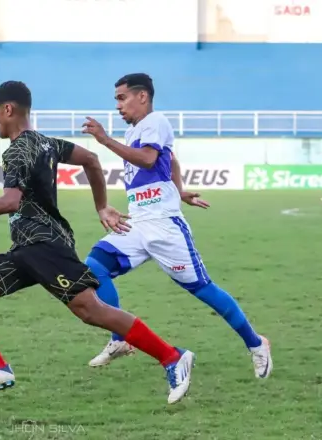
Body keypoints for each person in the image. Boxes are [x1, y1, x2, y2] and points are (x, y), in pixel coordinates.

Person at [0, 81, 196, 404]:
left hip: (44, 246)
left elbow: (12, 201)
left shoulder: (18, 150)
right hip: (27, 249)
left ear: (8, 109)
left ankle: (173, 357)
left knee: (91, 310)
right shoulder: (46, 143)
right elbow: (90, 159)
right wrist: (101, 206)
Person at [81, 73, 273, 379]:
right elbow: (169, 161)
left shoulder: (156, 121)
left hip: (164, 227)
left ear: (142, 96)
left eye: (122, 98)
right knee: (93, 268)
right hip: (138, 223)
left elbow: (148, 159)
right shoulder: (135, 130)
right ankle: (120, 340)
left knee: (204, 290)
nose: (118, 106)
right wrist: (179, 190)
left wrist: (104, 140)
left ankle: (256, 343)